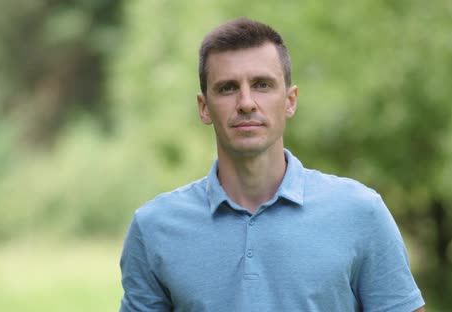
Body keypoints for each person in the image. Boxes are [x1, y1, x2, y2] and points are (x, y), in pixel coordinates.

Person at [119, 17, 425, 312]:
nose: (246, 102)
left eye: (262, 84)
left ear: (290, 100)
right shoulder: (154, 228)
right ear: (204, 108)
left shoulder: (361, 213)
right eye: (227, 88)